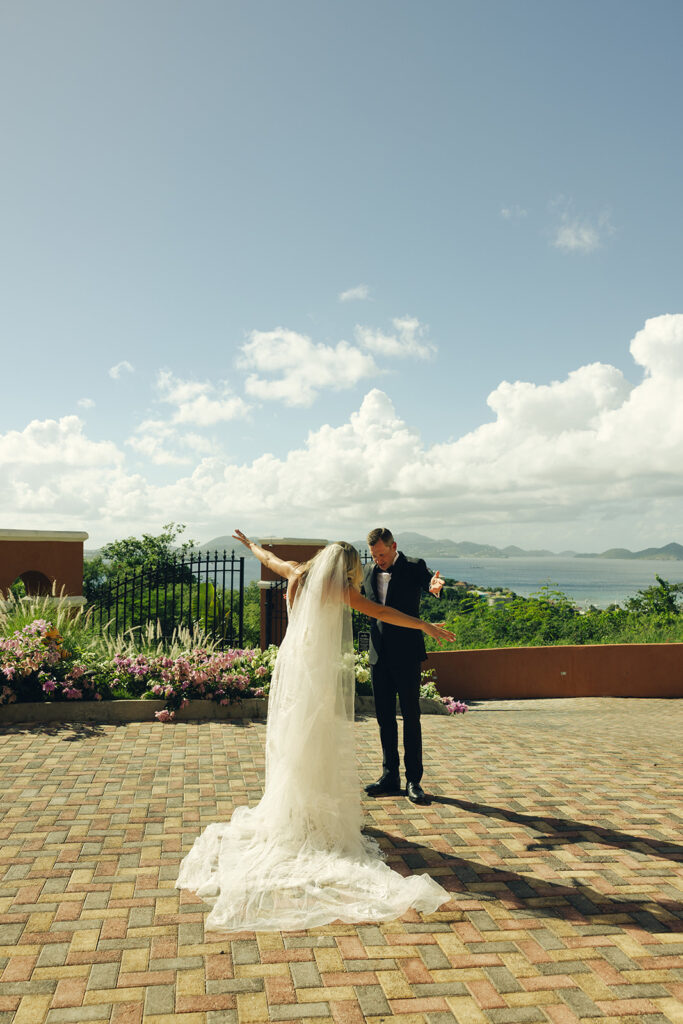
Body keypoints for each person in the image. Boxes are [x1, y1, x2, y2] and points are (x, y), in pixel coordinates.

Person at [175, 531, 455, 932]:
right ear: (347, 568)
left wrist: (249, 545)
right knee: (315, 740)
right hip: (316, 674)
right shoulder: (340, 590)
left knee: (292, 740)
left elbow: (270, 559)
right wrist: (426, 626)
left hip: (291, 668)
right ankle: (307, 814)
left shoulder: (297, 575)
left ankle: (294, 811)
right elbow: (386, 615)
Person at [362, 527, 446, 805]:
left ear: (394, 546)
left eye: (382, 554)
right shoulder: (367, 572)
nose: (378, 560)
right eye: (374, 555)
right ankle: (390, 776)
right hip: (378, 655)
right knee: (384, 718)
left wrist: (434, 587)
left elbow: (429, 582)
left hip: (407, 654)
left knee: (411, 717)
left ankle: (414, 780)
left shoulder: (413, 566)